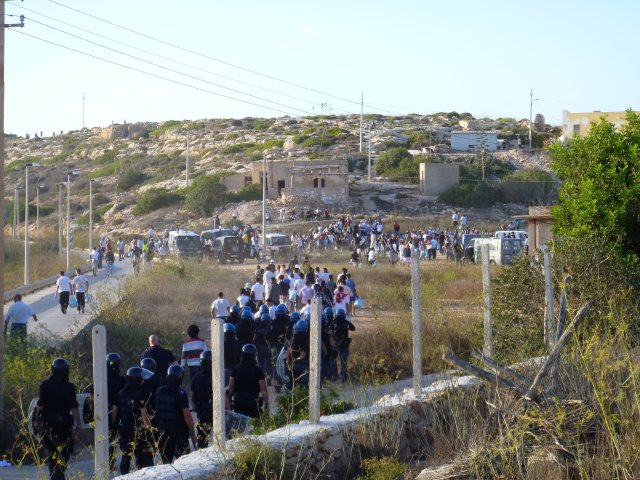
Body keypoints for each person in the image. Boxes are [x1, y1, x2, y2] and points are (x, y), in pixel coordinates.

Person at [33, 358, 82, 480]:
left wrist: (35, 421)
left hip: (48, 426)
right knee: (63, 455)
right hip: (64, 427)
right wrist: (79, 424)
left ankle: (55, 474)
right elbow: (74, 407)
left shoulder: (45, 385)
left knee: (52, 454)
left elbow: (39, 406)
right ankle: (58, 474)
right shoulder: (69, 387)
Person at [112, 367, 154, 474]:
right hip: (138, 430)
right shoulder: (140, 394)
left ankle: (124, 476)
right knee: (143, 457)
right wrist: (149, 429)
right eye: (141, 378)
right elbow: (144, 414)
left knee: (126, 456)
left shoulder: (121, 393)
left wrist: (115, 426)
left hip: (124, 429)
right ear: (137, 379)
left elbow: (114, 411)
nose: (143, 380)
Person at [155, 365, 198, 463]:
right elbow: (187, 415)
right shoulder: (180, 392)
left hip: (163, 432)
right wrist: (192, 433)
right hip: (179, 433)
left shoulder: (159, 391)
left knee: (165, 464)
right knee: (184, 463)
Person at [228, 344, 269, 418]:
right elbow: (263, 390)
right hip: (253, 402)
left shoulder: (236, 369)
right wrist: (266, 404)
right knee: (256, 426)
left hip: (239, 401)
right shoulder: (258, 370)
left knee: (239, 426)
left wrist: (229, 400)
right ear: (254, 355)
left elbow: (231, 387)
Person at [190, 351, 214, 448]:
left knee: (202, 436)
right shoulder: (215, 376)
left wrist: (196, 406)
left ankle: (201, 452)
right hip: (214, 408)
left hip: (202, 409)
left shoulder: (197, 376)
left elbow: (192, 395)